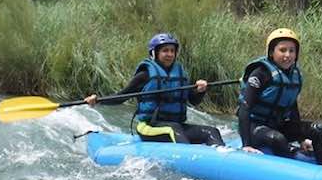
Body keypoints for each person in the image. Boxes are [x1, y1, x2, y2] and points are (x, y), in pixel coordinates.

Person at [84, 33, 225, 146]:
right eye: (165, 51)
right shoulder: (145, 75)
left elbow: (193, 101)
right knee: (173, 130)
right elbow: (122, 96)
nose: (169, 54)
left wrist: (200, 91)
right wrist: (98, 100)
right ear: (154, 53)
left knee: (211, 131)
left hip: (177, 125)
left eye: (172, 51)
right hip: (149, 127)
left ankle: (223, 161)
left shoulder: (180, 73)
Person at [237, 28, 322, 165]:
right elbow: (244, 108)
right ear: (271, 52)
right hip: (254, 128)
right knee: (278, 139)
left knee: (317, 129)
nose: (287, 55)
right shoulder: (260, 73)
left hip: (277, 125)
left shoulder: (294, 75)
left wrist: (301, 139)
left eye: (292, 51)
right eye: (282, 50)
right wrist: (246, 144)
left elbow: (292, 107)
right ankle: (293, 167)